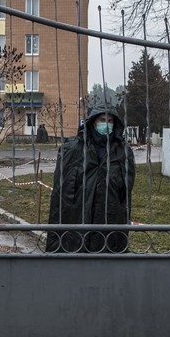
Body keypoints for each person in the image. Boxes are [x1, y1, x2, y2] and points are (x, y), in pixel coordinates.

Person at [45, 102, 135, 253]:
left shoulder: (122, 152)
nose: (106, 124)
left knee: (105, 259)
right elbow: (62, 190)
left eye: (110, 121)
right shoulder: (73, 148)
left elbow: (125, 192)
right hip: (77, 217)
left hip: (109, 218)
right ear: (93, 121)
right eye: (102, 120)